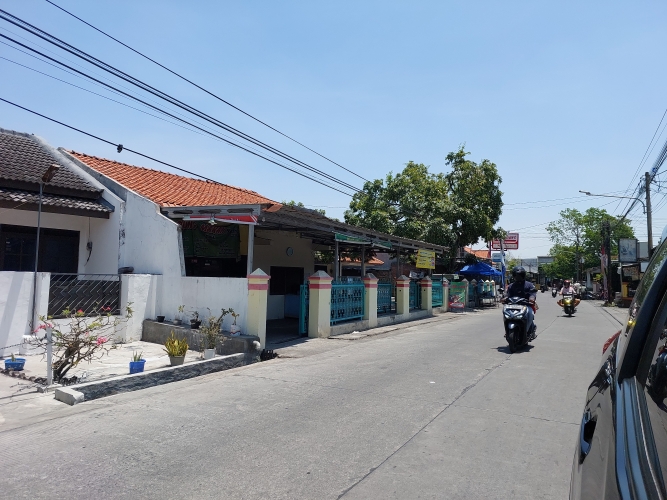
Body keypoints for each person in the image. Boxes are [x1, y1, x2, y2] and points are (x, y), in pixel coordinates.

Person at [503, 266, 537, 340]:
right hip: (513, 305)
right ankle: (507, 331)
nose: (518, 277)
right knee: (505, 313)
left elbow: (533, 293)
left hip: (526, 305)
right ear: (514, 276)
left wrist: (531, 298)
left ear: (523, 275)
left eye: (520, 275)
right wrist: (504, 298)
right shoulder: (511, 286)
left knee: (530, 313)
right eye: (516, 275)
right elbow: (507, 294)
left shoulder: (529, 285)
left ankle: (528, 331)